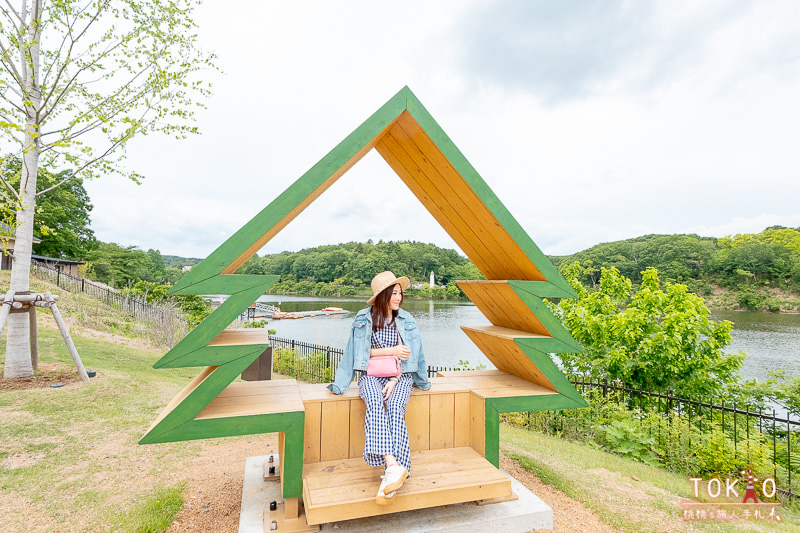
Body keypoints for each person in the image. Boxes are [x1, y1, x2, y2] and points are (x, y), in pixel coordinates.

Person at [328, 271, 431, 505]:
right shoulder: (364, 319)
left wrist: (401, 379)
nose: (399, 298)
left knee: (395, 407)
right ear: (383, 295)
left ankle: (390, 478)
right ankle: (394, 466)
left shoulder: (406, 320)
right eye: (394, 293)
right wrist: (340, 384)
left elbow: (415, 355)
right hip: (370, 374)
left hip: (400, 375)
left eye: (400, 293)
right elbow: (356, 354)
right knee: (375, 402)